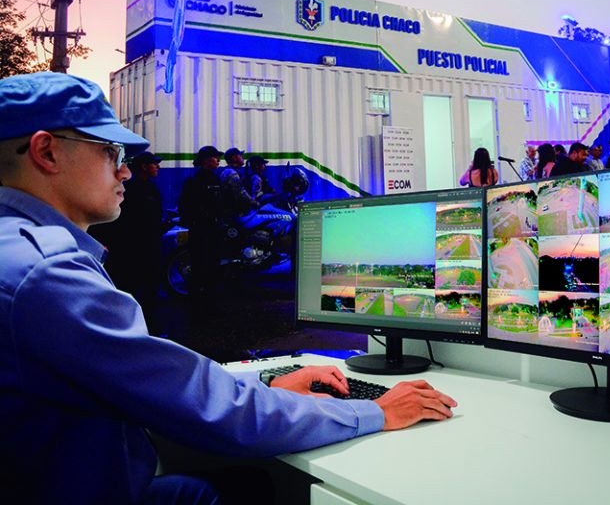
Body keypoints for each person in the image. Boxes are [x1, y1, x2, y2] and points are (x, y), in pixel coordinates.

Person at [0, 72, 457, 504]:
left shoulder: (19, 250)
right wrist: (376, 412)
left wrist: (267, 383)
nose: (125, 172)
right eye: (111, 153)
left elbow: (156, 381)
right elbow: (204, 404)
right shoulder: (45, 273)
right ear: (47, 152)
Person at [90, 150, 165, 333]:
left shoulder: (151, 188)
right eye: (154, 163)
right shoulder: (127, 190)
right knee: (128, 291)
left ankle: (148, 329)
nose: (158, 167)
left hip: (150, 249)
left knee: (149, 292)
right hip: (130, 252)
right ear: (144, 167)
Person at [178, 145, 226, 313]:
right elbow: (186, 207)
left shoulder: (216, 179)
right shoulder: (194, 181)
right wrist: (199, 222)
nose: (218, 160)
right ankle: (198, 307)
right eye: (215, 157)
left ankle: (211, 305)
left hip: (214, 231)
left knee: (213, 267)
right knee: (200, 267)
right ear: (206, 160)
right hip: (201, 232)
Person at [219, 146, 260, 217]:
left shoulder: (228, 171)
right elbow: (241, 194)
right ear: (234, 158)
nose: (242, 157)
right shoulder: (231, 173)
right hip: (234, 214)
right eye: (240, 155)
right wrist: (255, 203)